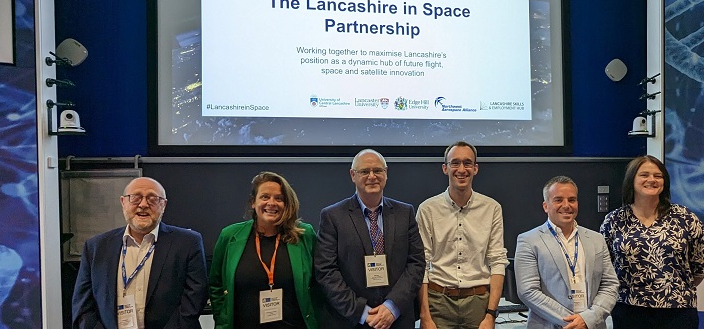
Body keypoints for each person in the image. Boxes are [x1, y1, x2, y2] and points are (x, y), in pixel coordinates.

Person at [72, 177, 208, 329]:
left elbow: (194, 299)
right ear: (123, 202)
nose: (143, 204)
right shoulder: (96, 247)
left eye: (153, 199)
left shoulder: (187, 243)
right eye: (135, 197)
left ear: (163, 205)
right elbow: (83, 305)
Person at [600, 155, 704, 328]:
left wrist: (672, 289)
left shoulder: (685, 218)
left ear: (665, 182)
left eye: (658, 176)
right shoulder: (614, 220)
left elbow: (700, 267)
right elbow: (603, 269)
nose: (652, 180)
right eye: (644, 175)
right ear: (632, 180)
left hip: (678, 313)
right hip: (628, 311)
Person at [315, 149, 425, 329]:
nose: (372, 176)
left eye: (377, 170)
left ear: (386, 173)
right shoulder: (333, 216)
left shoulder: (405, 213)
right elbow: (326, 271)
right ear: (353, 175)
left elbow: (416, 263)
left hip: (396, 319)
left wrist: (392, 307)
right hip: (351, 320)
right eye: (365, 171)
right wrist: (361, 312)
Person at [208, 171, 319, 329]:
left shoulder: (304, 235)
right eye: (265, 197)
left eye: (279, 198)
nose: (271, 203)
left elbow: (319, 284)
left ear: (286, 203)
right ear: (253, 202)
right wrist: (222, 318)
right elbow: (216, 284)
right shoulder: (229, 236)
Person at [416, 141, 508, 329]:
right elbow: (421, 264)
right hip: (438, 303)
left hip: (478, 304)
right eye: (455, 163)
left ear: (475, 169)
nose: (461, 169)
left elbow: (497, 261)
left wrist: (491, 315)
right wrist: (424, 316)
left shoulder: (492, 208)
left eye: (467, 163)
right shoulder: (427, 210)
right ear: (445, 168)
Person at [515, 176, 619, 329]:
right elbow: (528, 291)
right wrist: (572, 322)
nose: (566, 205)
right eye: (558, 200)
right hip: (549, 325)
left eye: (572, 200)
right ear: (545, 206)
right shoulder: (529, 241)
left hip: (591, 325)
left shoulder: (596, 239)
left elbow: (610, 284)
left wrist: (588, 319)